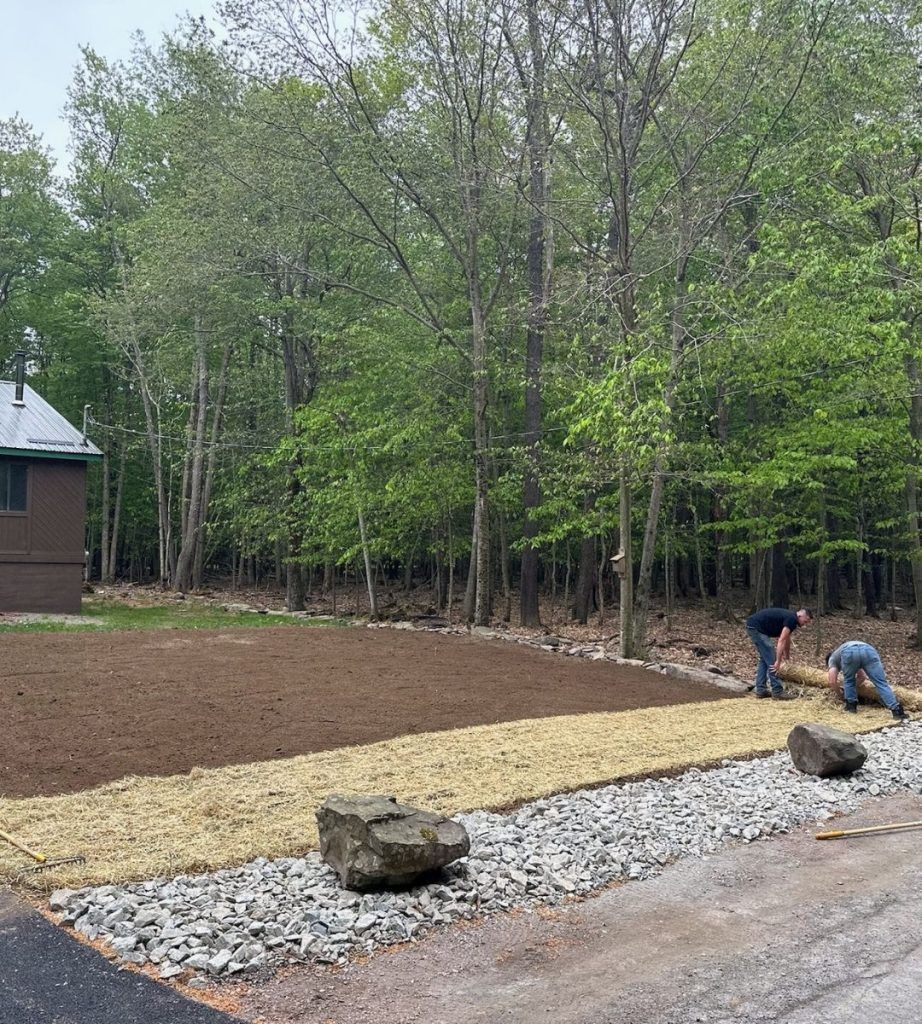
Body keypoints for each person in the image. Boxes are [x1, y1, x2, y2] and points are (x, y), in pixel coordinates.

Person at [826, 641, 907, 719]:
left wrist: (841, 694)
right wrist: (851, 689)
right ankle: (897, 711)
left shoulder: (832, 659)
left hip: (849, 652)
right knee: (881, 683)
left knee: (849, 680)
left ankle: (851, 707)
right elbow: (862, 676)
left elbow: (832, 681)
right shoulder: (840, 652)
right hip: (869, 650)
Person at [745, 606, 812, 700]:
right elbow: (781, 641)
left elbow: (786, 638)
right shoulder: (792, 619)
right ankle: (777, 691)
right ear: (800, 615)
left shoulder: (791, 618)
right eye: (806, 620)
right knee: (771, 658)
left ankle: (761, 690)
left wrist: (787, 655)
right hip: (756, 627)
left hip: (753, 626)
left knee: (765, 659)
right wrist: (778, 661)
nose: (806, 624)